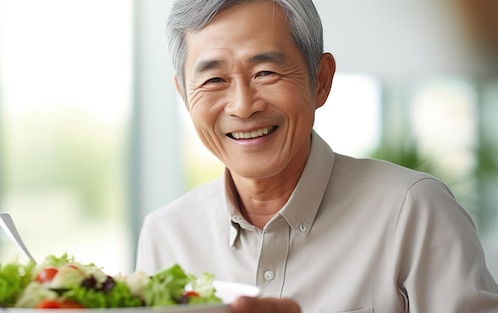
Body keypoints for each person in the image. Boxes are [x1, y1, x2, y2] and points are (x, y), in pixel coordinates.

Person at [135, 0, 498, 312]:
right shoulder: (166, 235)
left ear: (321, 80)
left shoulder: (413, 210)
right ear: (183, 95)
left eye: (266, 72)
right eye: (214, 80)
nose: (243, 106)